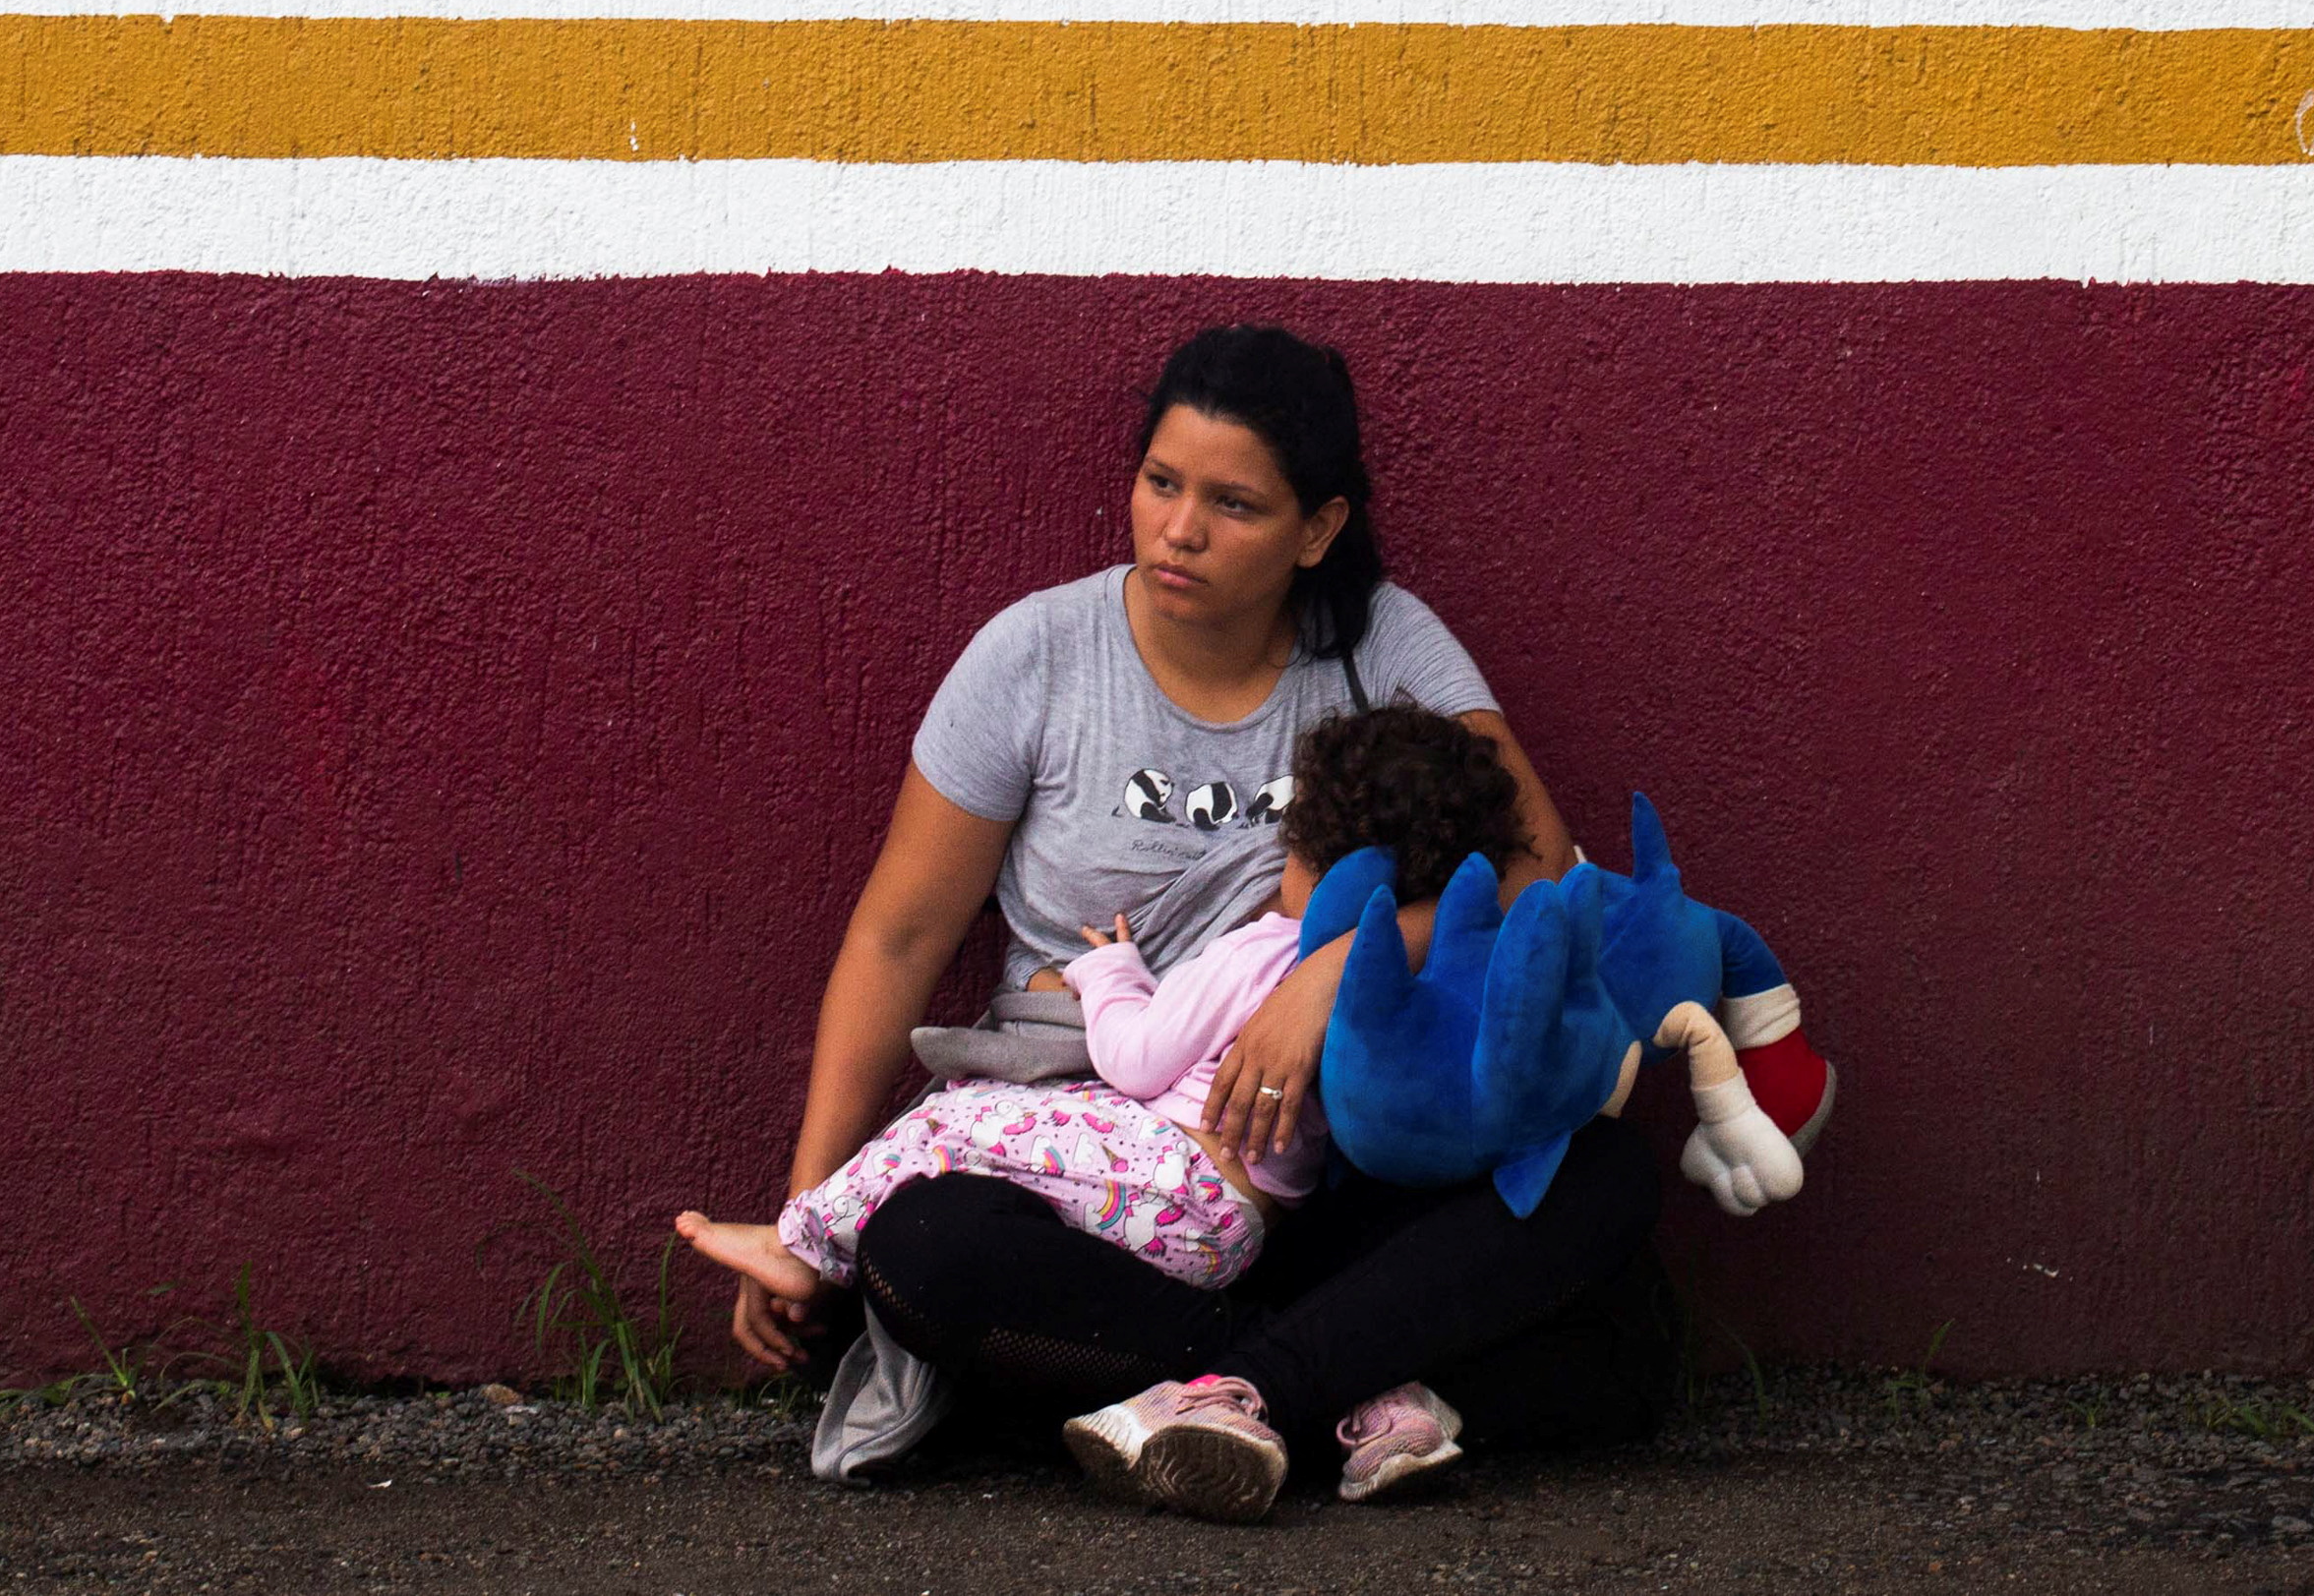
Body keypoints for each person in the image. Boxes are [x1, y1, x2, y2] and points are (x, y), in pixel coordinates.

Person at [732, 323, 1680, 1519]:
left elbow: (1543, 871)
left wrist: (1335, 967)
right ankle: (1332, 1379)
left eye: (1232, 503)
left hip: (1329, 1164)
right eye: (1160, 483)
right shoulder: (1039, 654)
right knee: (923, 1250)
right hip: (1093, 1186)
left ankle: (1217, 1391)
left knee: (1601, 1188)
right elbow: (897, 940)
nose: (1178, 529)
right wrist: (813, 1209)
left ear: (1317, 529)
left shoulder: (1380, 642)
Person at [677, 696, 1528, 1302]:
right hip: (1245, 1227)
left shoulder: (1267, 951)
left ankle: (804, 1242)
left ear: (1307, 854)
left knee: (955, 1120)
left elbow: (1136, 1059)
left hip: (1173, 1182)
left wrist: (1109, 974)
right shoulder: (1421, 988)